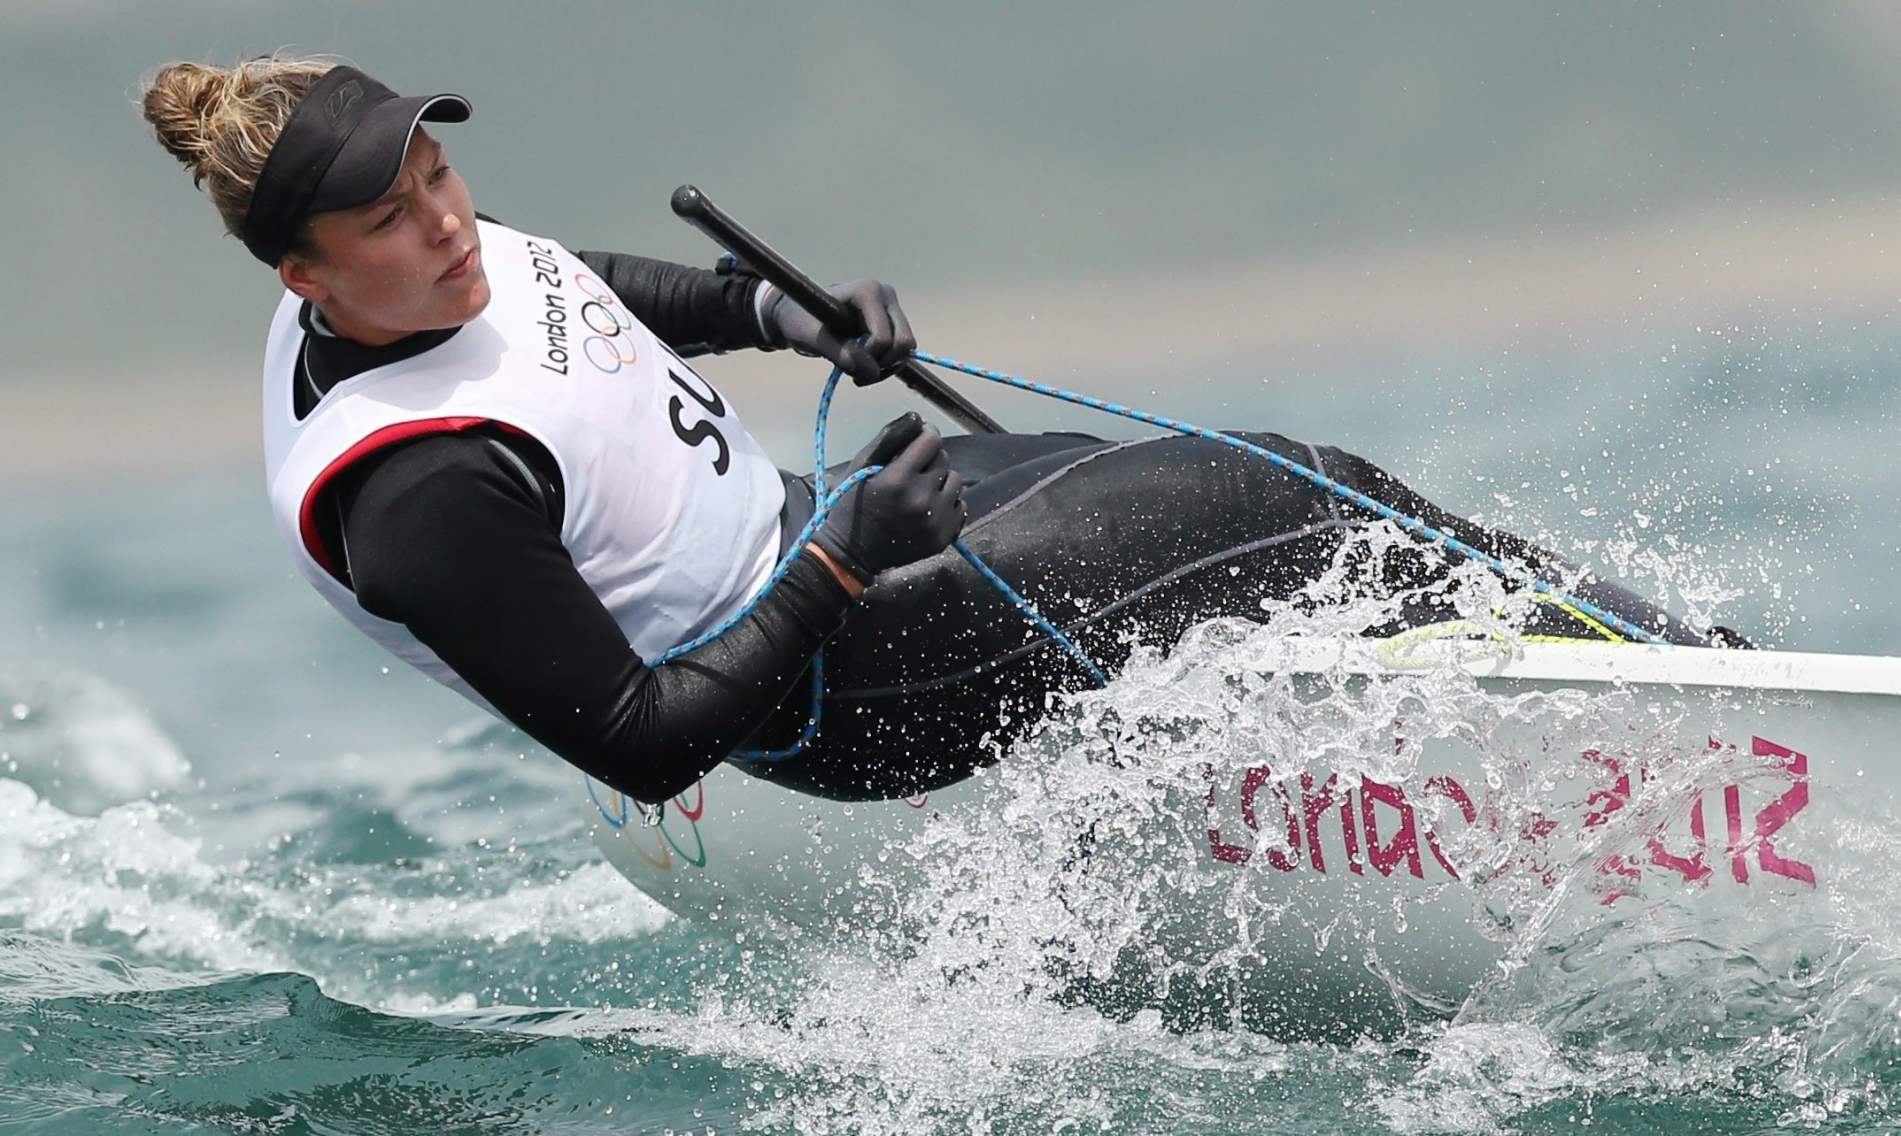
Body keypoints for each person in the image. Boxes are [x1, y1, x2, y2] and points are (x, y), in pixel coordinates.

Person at [141, 55, 1736, 807]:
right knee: (1298, 500)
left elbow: (575, 297)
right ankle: (1720, 719)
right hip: (834, 687)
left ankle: (1600, 704)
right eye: (394, 215)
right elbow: (639, 744)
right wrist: (839, 569)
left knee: (1259, 502)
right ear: (304, 275)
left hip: (816, 539)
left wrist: (779, 312)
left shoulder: (408, 271)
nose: (445, 220)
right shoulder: (419, 497)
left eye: (437, 173)